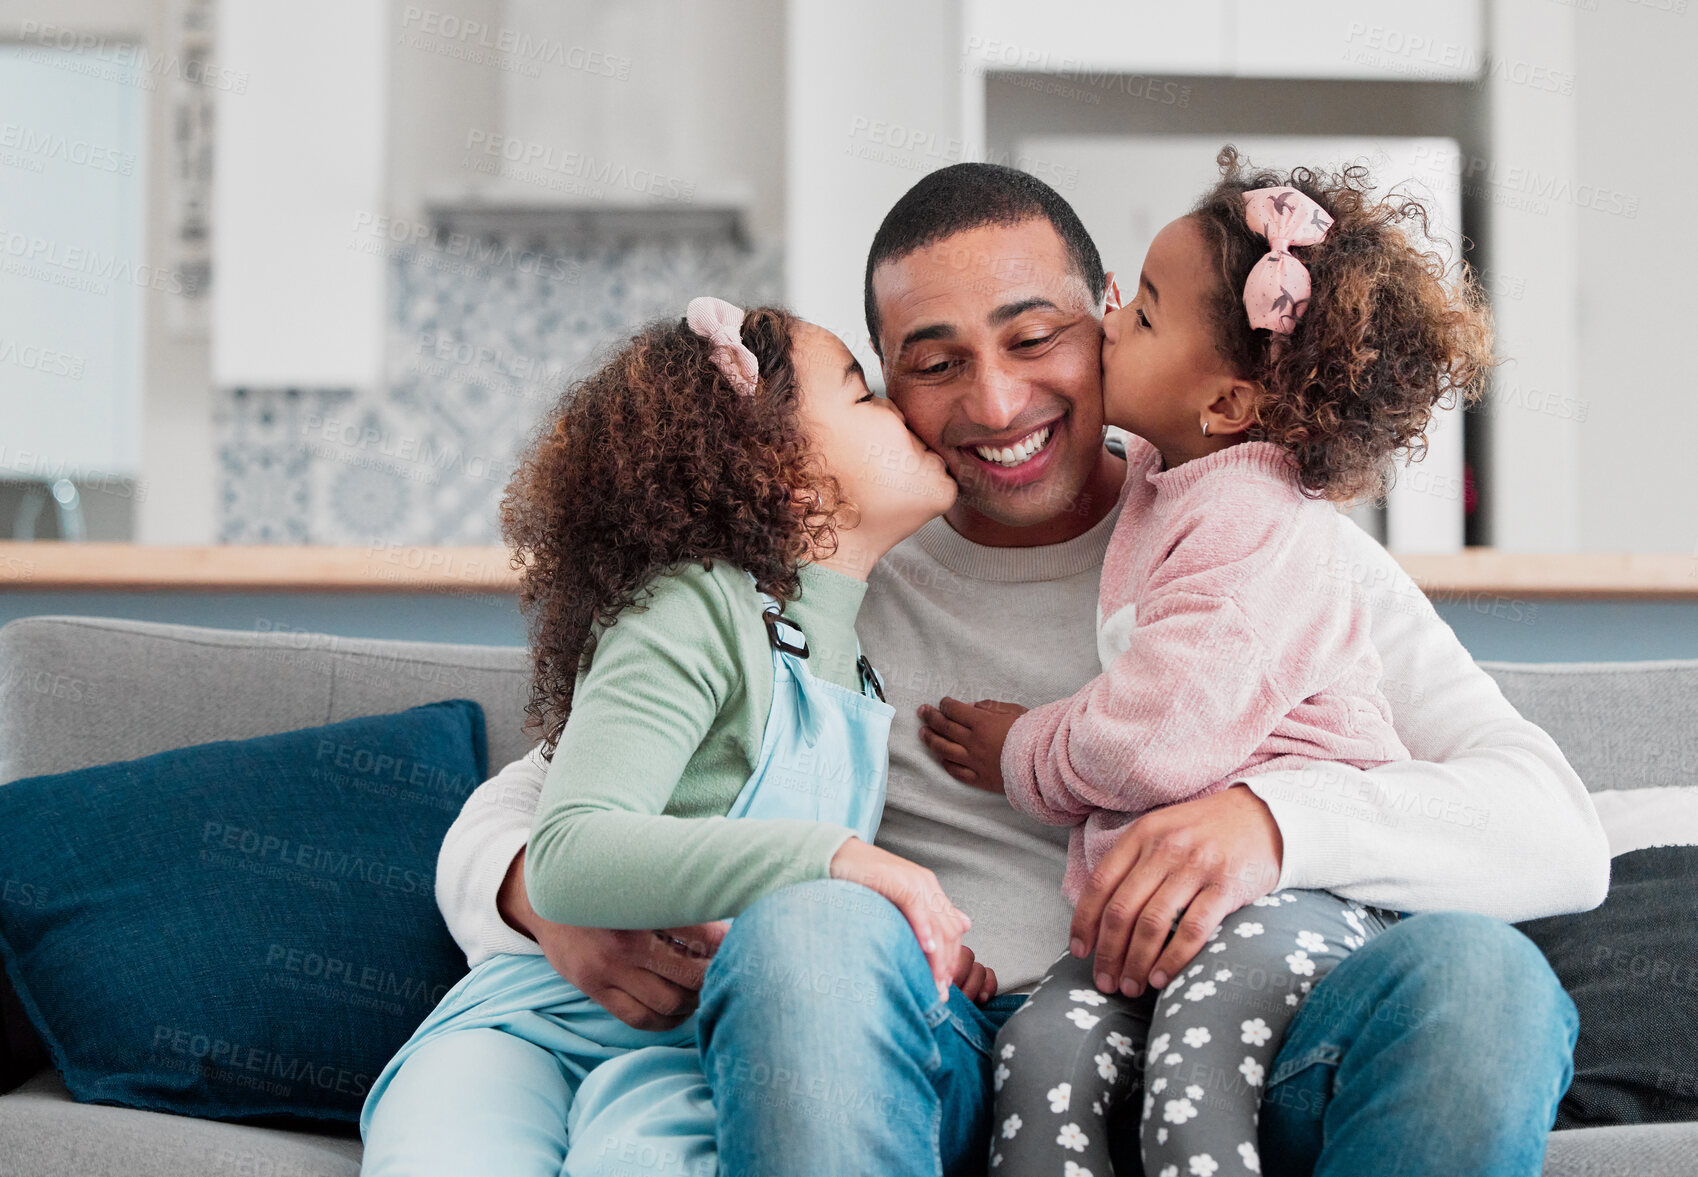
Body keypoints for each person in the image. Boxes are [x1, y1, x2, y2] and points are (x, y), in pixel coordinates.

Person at [434, 162, 1610, 1176]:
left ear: (1111, 316)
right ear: (885, 389)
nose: (997, 401)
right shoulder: (823, 566)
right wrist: (539, 902)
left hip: (1242, 1038)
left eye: (1034, 337)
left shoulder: (1267, 545)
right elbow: (529, 807)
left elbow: (1555, 827)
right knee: (812, 931)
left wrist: (1272, 821)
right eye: (934, 364)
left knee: (1483, 980)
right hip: (920, 1047)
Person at [937, 156, 1497, 1177]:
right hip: (1152, 920)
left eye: (1142, 315)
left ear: (1232, 402)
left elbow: (1156, 736)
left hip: (1286, 904)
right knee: (1040, 1048)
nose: (1109, 323)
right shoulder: (1178, 474)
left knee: (1197, 1076)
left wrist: (1018, 746)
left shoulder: (1253, 524)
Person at [358, 297, 967, 1176]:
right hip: (531, 1027)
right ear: (785, 473)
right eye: (863, 394)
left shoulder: (858, 667)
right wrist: (836, 858)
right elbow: (569, 848)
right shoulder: (696, 606)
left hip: (686, 1058)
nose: (904, 410)